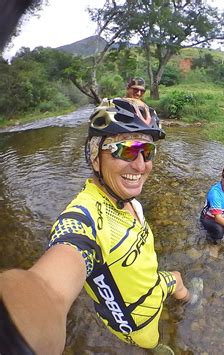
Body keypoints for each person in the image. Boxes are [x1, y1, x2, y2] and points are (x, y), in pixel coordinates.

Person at [0, 97, 202, 353]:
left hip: (153, 284)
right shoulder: (84, 219)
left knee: (177, 279)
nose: (140, 165)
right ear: (96, 157)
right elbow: (49, 289)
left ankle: (191, 302)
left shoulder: (128, 198)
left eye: (147, 151)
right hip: (137, 323)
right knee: (154, 343)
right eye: (127, 150)